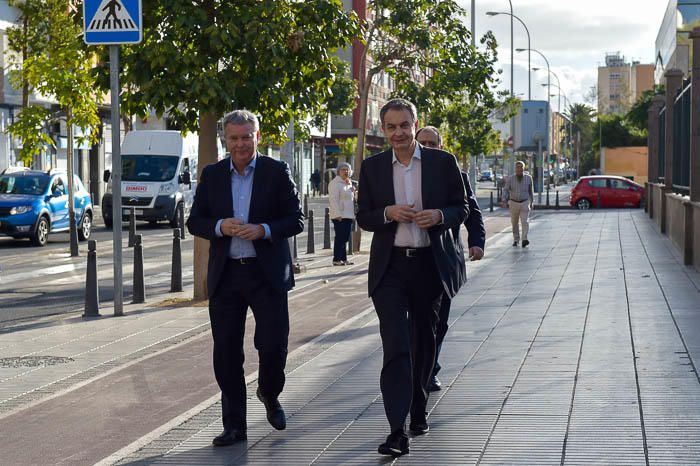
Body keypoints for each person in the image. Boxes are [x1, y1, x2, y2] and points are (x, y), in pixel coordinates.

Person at [356, 99, 468, 457]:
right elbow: (364, 216)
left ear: (415, 125)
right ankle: (395, 430)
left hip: (429, 266)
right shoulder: (372, 168)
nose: (398, 133)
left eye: (404, 125)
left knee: (424, 342)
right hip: (390, 269)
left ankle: (418, 407)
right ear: (383, 128)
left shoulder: (442, 162)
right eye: (391, 127)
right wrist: (388, 212)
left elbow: (461, 207)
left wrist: (438, 215)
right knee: (396, 347)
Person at [186, 110, 304, 447]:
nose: (240, 144)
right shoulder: (212, 175)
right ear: (225, 138)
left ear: (258, 135)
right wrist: (220, 226)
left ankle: (269, 391)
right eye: (234, 138)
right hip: (226, 276)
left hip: (265, 275)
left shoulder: (276, 172)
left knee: (273, 344)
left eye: (246, 137)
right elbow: (196, 221)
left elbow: (295, 219)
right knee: (226, 352)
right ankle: (235, 425)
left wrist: (263, 230)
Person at [415, 126, 485, 392]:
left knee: (438, 322)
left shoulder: (457, 174)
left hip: (443, 261)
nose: (429, 148)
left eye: (433, 143)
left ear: (441, 146)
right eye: (424, 143)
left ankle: (430, 368)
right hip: (409, 261)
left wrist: (476, 242)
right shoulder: (403, 175)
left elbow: (472, 212)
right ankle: (416, 368)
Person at [328, 162, 356, 266]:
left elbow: (350, 199)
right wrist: (337, 214)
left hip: (348, 215)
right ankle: (336, 259)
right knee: (340, 237)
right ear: (338, 172)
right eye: (343, 169)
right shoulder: (335, 183)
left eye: (347, 169)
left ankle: (344, 259)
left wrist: (352, 191)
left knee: (345, 238)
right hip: (340, 216)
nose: (346, 171)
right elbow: (333, 200)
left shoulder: (348, 183)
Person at [501, 161, 534, 248]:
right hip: (514, 202)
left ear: (524, 168)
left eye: (521, 167)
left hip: (525, 202)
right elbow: (506, 190)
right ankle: (516, 239)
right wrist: (504, 200)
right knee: (514, 222)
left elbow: (531, 191)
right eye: (518, 167)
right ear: (515, 168)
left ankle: (524, 239)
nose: (519, 169)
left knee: (525, 221)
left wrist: (532, 201)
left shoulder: (529, 178)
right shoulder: (510, 179)